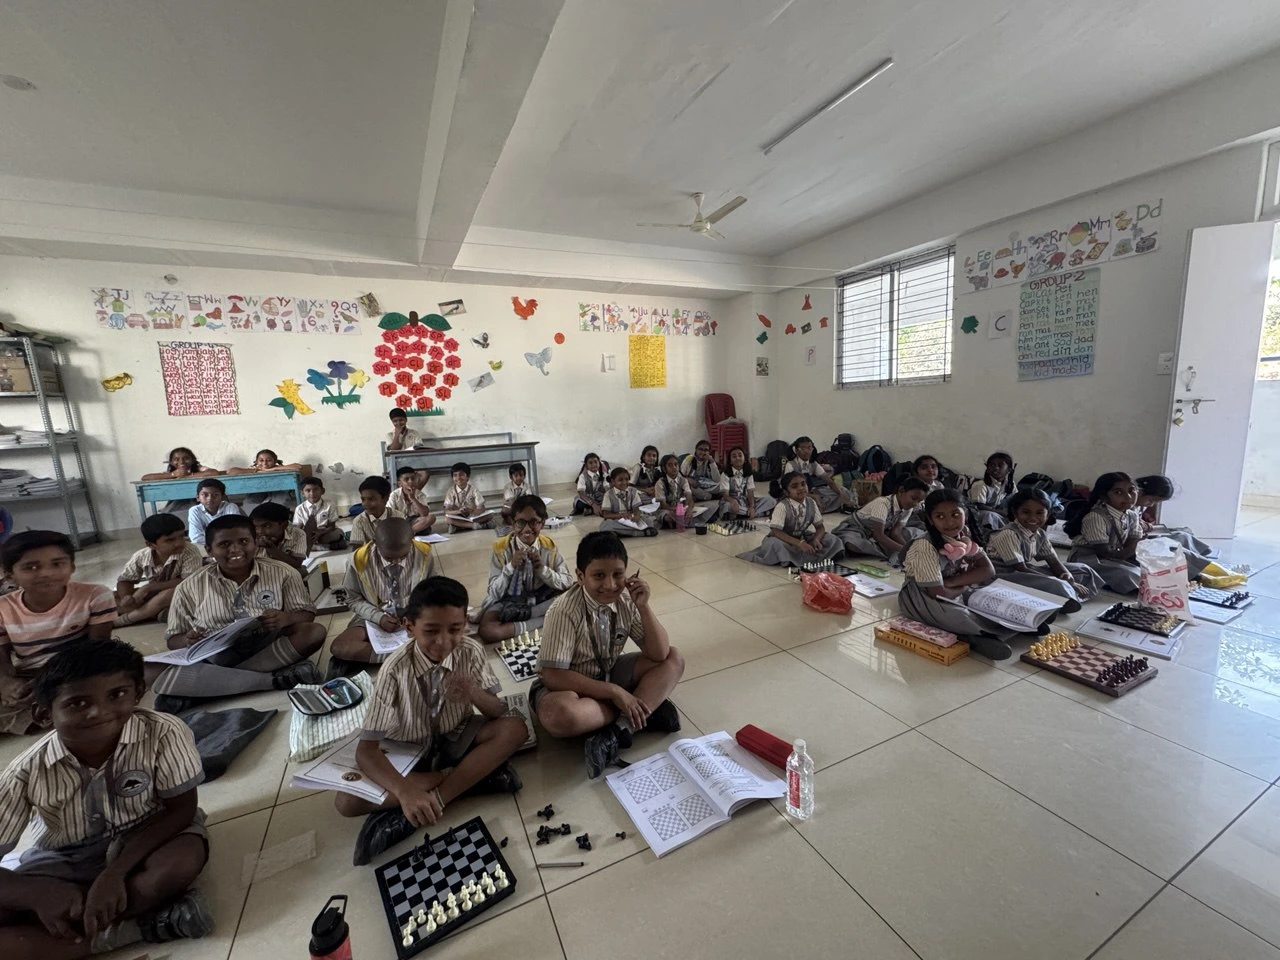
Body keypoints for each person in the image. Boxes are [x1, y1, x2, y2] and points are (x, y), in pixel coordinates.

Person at [0, 639, 213, 958]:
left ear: (138, 693)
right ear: (44, 714)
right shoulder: (24, 772)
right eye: (77, 703)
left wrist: (115, 874)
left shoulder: (164, 731)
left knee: (177, 865)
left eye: (117, 695)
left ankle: (89, 930)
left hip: (149, 834)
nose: (99, 712)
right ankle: (145, 925)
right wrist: (36, 894)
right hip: (65, 859)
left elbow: (182, 809)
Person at [336, 577, 525, 866]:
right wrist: (405, 790)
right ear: (409, 627)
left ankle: (437, 799)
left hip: (454, 736)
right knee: (346, 802)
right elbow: (367, 750)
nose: (444, 641)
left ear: (466, 624)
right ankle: (467, 779)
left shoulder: (470, 652)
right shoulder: (394, 670)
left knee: (516, 729)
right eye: (431, 631)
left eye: (455, 629)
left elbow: (497, 711)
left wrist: (472, 691)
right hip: (409, 749)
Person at [532, 532, 684, 778]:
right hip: (568, 685)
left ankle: (619, 730)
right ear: (580, 577)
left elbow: (659, 653)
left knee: (674, 658)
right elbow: (552, 676)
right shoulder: (563, 611)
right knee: (559, 716)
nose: (611, 585)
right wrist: (615, 693)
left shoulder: (625, 599)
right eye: (599, 576)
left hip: (608, 673)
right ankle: (645, 709)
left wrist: (644, 607)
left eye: (618, 574)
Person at [148, 515, 324, 714]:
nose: (235, 550)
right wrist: (189, 640)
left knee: (313, 632)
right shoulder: (189, 586)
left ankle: (211, 687)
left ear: (255, 543)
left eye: (243, 541)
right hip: (215, 656)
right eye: (224, 544)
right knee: (149, 670)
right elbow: (173, 639)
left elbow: (306, 614)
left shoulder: (283, 573)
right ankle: (269, 681)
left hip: (265, 647)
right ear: (209, 550)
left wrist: (286, 618)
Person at [0, 532, 116, 735]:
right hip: (29, 674)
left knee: (105, 684)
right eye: (31, 567)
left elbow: (97, 649)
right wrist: (6, 682)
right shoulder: (3, 608)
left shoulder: (95, 595)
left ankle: (44, 714)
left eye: (57, 564)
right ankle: (48, 713)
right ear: (9, 574)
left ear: (72, 566)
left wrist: (45, 684)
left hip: (79, 670)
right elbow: (2, 657)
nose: (46, 573)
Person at [898, 489, 1018, 660]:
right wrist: (965, 585)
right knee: (960, 615)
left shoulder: (965, 536)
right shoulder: (925, 546)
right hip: (923, 596)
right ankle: (974, 638)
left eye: (955, 514)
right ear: (930, 520)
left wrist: (958, 583)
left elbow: (987, 569)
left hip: (953, 587)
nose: (949, 522)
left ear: (965, 514)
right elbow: (937, 593)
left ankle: (1016, 626)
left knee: (997, 600)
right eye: (940, 517)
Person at [327, 518, 440, 676]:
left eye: (402, 556)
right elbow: (353, 599)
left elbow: (433, 590)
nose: (396, 562)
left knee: (447, 634)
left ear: (412, 540)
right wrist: (378, 617)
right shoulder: (358, 560)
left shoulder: (423, 554)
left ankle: (379, 658)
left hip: (414, 613)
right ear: (374, 543)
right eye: (389, 558)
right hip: (373, 615)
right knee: (340, 646)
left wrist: (415, 613)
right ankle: (411, 657)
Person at [987, 489, 1103, 611]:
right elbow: (1020, 568)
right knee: (1056, 584)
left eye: (1039, 513)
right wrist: (1061, 581)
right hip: (1004, 575)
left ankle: (1069, 594)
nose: (1033, 517)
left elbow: (1053, 561)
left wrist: (1068, 577)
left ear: (1047, 515)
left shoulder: (1040, 534)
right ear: (1015, 513)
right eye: (1026, 512)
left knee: (1083, 569)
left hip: (1025, 570)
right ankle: (1064, 599)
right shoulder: (1008, 533)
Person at [478, 495, 574, 643]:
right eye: (521, 523)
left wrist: (543, 570)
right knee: (488, 631)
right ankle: (545, 617)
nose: (527, 529)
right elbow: (493, 592)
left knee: (578, 589)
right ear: (512, 523)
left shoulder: (549, 547)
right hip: (510, 602)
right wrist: (510, 567)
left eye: (534, 522)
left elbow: (567, 581)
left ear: (542, 523)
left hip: (541, 598)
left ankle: (530, 615)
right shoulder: (501, 549)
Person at [114, 514, 205, 627]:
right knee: (111, 597)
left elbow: (187, 581)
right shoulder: (141, 556)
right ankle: (154, 612)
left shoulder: (190, 551)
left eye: (181, 536)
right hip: (156, 595)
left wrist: (148, 587)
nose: (179, 543)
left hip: (186, 593)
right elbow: (125, 580)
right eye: (170, 540)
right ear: (150, 544)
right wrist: (126, 598)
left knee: (169, 594)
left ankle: (124, 620)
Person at [738, 472, 843, 566]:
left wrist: (816, 539)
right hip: (783, 539)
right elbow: (776, 531)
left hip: (802, 537)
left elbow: (820, 528)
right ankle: (798, 558)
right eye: (794, 486)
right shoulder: (782, 506)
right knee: (775, 545)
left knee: (833, 539)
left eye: (803, 484)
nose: (801, 488)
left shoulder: (811, 502)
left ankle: (797, 558)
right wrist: (799, 544)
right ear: (786, 492)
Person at [1065, 472, 1143, 594]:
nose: (1128, 497)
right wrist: (1128, 556)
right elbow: (1104, 553)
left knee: (1150, 569)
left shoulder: (1132, 515)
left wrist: (1131, 555)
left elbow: (1133, 541)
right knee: (1127, 574)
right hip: (1090, 559)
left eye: (1132, 490)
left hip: (1116, 556)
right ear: (1104, 496)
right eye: (1118, 492)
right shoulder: (1096, 517)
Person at [1134, 475, 1216, 576]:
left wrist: (1144, 521)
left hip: (1143, 536)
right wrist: (1140, 527)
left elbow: (1138, 520)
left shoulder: (1139, 505)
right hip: (1134, 544)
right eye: (1151, 500)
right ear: (1140, 492)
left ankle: (1202, 558)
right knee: (1172, 547)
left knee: (1182, 535)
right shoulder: (1127, 507)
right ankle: (1199, 570)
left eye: (1155, 502)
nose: (1151, 504)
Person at [832, 477, 929, 560]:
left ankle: (881, 548)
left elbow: (895, 533)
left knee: (913, 532)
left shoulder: (908, 508)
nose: (915, 503)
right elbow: (878, 535)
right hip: (855, 529)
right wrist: (905, 550)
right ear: (901, 491)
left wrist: (908, 547)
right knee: (851, 542)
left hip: (879, 534)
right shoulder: (882, 503)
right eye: (913, 498)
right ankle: (883, 549)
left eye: (919, 501)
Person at [140, 447, 220, 519]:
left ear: (193, 460)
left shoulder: (199, 469)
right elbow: (145, 477)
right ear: (171, 462)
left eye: (186, 458)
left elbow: (214, 472)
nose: (181, 462)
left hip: (199, 501)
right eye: (176, 459)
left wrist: (190, 475)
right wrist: (172, 474)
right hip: (177, 504)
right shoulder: (171, 473)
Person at [783, 436, 852, 513]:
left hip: (811, 490)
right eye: (803, 448)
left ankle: (821, 508)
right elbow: (790, 490)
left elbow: (829, 481)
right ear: (796, 450)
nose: (807, 451)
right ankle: (820, 508)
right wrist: (812, 496)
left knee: (844, 491)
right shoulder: (791, 465)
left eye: (809, 448)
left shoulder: (813, 464)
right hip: (796, 493)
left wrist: (840, 494)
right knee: (808, 501)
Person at [225, 449, 311, 510]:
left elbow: (298, 467)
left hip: (279, 493)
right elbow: (230, 471)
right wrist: (257, 470)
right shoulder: (255, 470)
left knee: (276, 506)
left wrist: (272, 469)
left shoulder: (280, 468)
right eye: (261, 460)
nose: (265, 463)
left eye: (269, 460)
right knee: (248, 504)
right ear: (256, 462)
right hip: (257, 493)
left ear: (275, 461)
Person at [599, 467, 659, 538]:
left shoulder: (633, 491)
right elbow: (606, 515)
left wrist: (637, 516)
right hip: (616, 519)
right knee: (606, 525)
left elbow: (636, 509)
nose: (624, 482)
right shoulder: (608, 494)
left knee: (649, 521)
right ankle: (641, 533)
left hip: (631, 519)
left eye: (627, 479)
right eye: (620, 480)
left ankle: (622, 533)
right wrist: (620, 516)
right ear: (613, 481)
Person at [720, 446, 775, 519]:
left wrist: (751, 507)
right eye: (734, 456)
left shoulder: (748, 473)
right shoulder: (725, 474)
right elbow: (725, 495)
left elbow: (750, 492)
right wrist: (733, 501)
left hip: (745, 501)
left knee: (771, 500)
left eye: (740, 455)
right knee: (728, 506)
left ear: (745, 458)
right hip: (732, 501)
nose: (737, 458)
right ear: (730, 461)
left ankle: (747, 514)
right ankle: (759, 513)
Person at [966, 452, 1014, 535]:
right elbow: (978, 506)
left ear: (1009, 470)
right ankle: (989, 536)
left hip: (997, 514)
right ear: (987, 468)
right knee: (989, 516)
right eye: (992, 465)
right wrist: (1000, 512)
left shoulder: (1010, 485)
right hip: (977, 514)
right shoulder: (981, 484)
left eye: (1000, 465)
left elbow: (1015, 499)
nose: (995, 468)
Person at [250, 503, 308, 572]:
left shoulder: (297, 534)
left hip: (285, 573)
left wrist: (272, 549)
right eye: (255, 527)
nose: (259, 531)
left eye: (266, 526)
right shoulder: (251, 536)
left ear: (284, 525)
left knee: (301, 571)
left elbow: (296, 564)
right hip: (260, 575)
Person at [350, 476, 405, 546]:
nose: (366, 504)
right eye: (363, 499)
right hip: (370, 555)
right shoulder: (359, 521)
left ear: (386, 498)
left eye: (371, 499)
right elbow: (356, 551)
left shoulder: (398, 517)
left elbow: (405, 544)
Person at [653, 454, 705, 528]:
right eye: (670, 465)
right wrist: (677, 510)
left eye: (676, 464)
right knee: (668, 517)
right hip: (667, 509)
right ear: (664, 469)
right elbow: (663, 505)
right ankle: (676, 522)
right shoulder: (660, 483)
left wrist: (688, 510)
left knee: (700, 512)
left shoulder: (683, 480)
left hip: (681, 508)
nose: (674, 467)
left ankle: (681, 521)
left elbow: (689, 498)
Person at [186, 478, 244, 546]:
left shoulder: (230, 507)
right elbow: (196, 538)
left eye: (215, 495)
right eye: (205, 495)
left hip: (227, 545)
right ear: (198, 497)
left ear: (223, 497)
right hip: (206, 546)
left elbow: (234, 532)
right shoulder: (194, 511)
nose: (210, 498)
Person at [293, 476, 345, 550]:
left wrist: (320, 533)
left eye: (316, 489)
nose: (312, 493)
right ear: (302, 493)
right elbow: (298, 527)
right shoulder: (299, 509)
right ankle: (324, 547)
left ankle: (314, 547)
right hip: (308, 534)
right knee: (295, 539)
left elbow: (332, 526)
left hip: (325, 532)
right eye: (308, 490)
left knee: (335, 534)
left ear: (322, 491)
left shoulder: (330, 505)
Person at [443, 462, 492, 533]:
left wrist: (472, 511)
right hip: (458, 517)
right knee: (447, 519)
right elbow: (446, 510)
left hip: (472, 516)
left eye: (461, 475)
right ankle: (476, 526)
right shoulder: (451, 491)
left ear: (468, 477)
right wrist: (458, 511)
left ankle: (460, 527)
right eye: (455, 475)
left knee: (490, 515)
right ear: (452, 478)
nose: (458, 478)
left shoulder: (474, 490)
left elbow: (482, 508)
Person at [387, 466, 436, 535]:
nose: (411, 482)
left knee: (431, 518)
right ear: (399, 483)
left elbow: (424, 514)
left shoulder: (420, 494)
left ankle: (407, 533)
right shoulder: (394, 495)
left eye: (413, 479)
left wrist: (413, 499)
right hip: (399, 522)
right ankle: (413, 531)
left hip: (414, 521)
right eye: (406, 479)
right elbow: (389, 514)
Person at [500, 463, 534, 528]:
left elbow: (529, 498)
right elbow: (510, 500)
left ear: (524, 476)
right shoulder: (507, 487)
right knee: (505, 511)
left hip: (523, 507)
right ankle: (514, 521)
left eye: (521, 475)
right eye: (516, 476)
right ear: (511, 477)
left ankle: (521, 521)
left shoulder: (527, 486)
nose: (519, 478)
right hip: (512, 508)